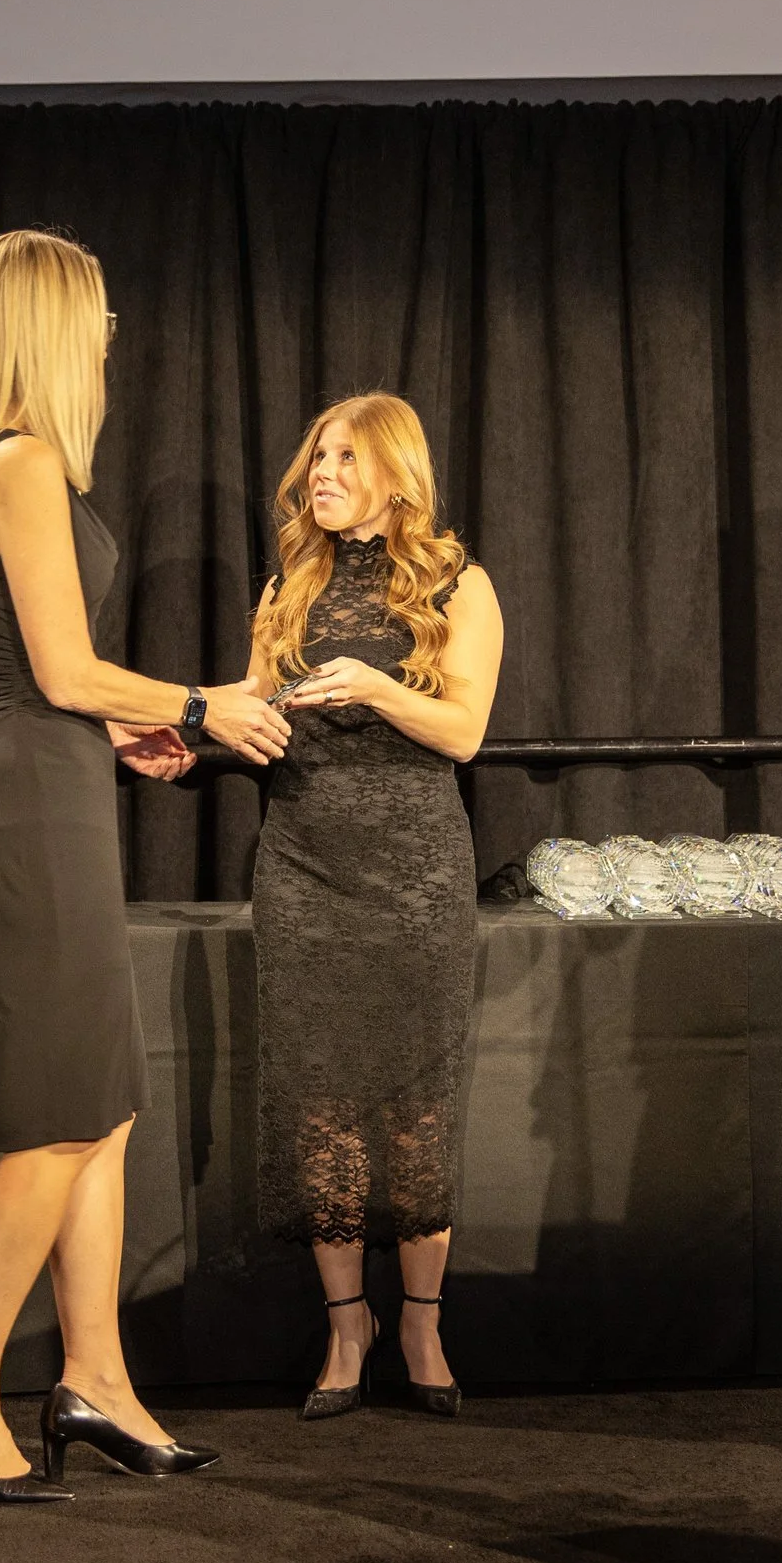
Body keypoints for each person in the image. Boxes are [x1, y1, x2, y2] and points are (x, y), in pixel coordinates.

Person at [0, 229, 291, 1503]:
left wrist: (116, 733)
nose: (112, 337)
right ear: (53, 326)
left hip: (33, 776)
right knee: (65, 1107)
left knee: (104, 1101)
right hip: (26, 795)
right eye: (101, 316)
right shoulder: (17, 462)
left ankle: (96, 1379)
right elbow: (57, 670)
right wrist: (198, 703)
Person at [245, 393, 505, 1420]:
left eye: (346, 457)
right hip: (303, 866)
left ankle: (422, 1324)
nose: (322, 472)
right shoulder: (290, 583)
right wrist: (196, 723)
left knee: (416, 1101)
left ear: (397, 473)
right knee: (322, 1102)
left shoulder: (456, 582)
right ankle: (346, 1325)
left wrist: (378, 687)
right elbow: (258, 704)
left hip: (416, 874)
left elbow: (465, 731)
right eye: (318, 455)